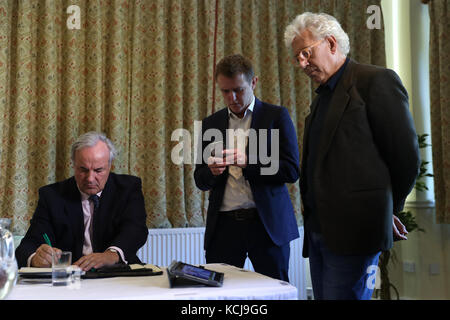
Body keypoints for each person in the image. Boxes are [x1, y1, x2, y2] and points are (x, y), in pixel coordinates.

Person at [284, 12, 421, 299]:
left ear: (331, 43)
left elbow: (405, 158)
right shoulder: (322, 98)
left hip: (355, 232)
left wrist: (388, 210)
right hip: (320, 232)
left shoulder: (375, 81)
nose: (301, 64)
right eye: (297, 57)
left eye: (306, 54)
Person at [194, 54, 300, 281]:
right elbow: (199, 179)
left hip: (267, 226)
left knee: (274, 292)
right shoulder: (210, 124)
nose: (232, 97)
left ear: (253, 83)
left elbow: (291, 170)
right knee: (219, 293)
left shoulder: (276, 116)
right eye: (225, 91)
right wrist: (211, 173)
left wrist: (248, 162)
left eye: (238, 90)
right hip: (224, 227)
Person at [15, 132, 148, 271]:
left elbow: (136, 230)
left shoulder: (127, 189)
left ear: (109, 166)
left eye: (98, 170)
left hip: (117, 274)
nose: (90, 179)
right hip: (70, 280)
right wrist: (36, 257)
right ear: (74, 165)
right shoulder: (52, 196)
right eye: (83, 170)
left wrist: (111, 255)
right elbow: (28, 245)